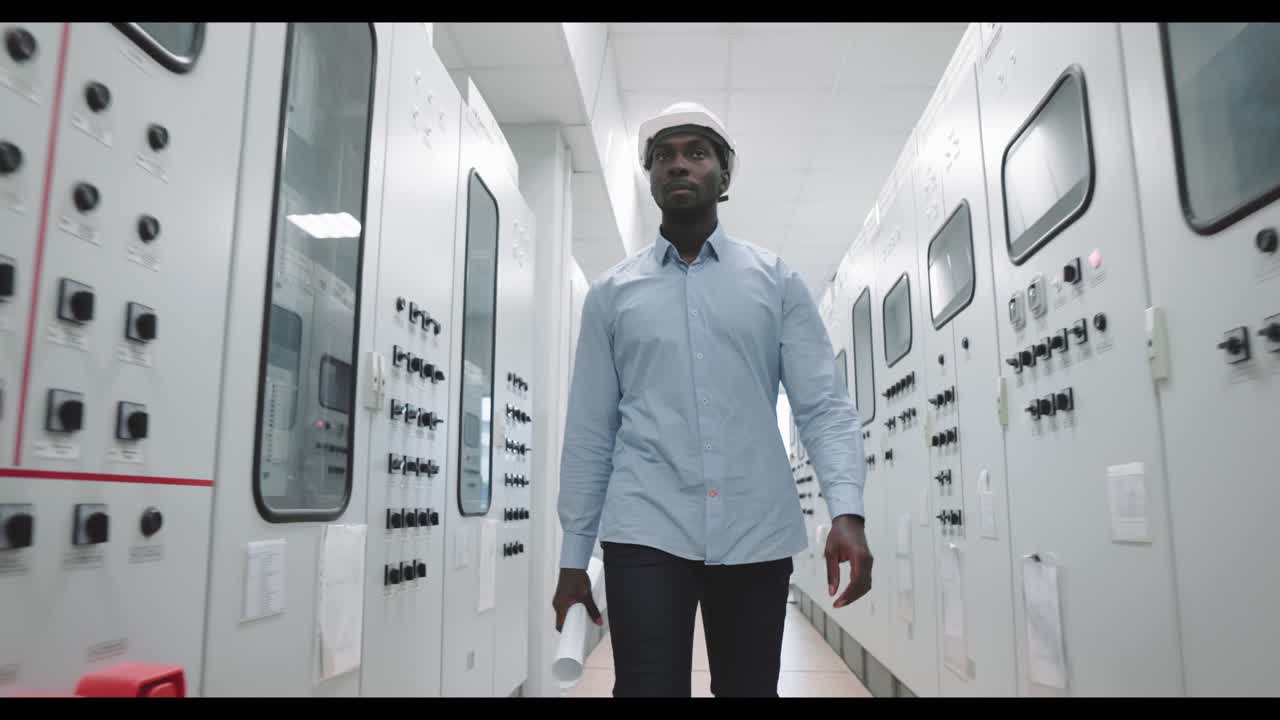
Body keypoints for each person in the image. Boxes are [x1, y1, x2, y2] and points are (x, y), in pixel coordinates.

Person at [552, 101, 871, 698]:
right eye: (664, 156)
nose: (679, 166)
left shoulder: (776, 282)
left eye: (696, 153)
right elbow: (592, 432)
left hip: (756, 528)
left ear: (724, 177)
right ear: (650, 178)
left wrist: (846, 513)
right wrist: (574, 558)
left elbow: (823, 407)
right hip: (645, 526)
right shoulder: (611, 296)